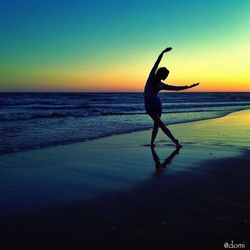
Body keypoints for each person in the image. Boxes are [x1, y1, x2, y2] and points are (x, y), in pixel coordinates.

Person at [144, 47, 199, 148]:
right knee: (158, 125)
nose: (165, 77)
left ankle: (170, 142)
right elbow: (156, 63)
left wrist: (188, 87)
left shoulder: (159, 83)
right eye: (165, 75)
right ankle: (161, 142)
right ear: (161, 73)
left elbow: (175, 88)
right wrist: (163, 53)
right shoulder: (154, 79)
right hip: (153, 105)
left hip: (152, 105)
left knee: (158, 125)